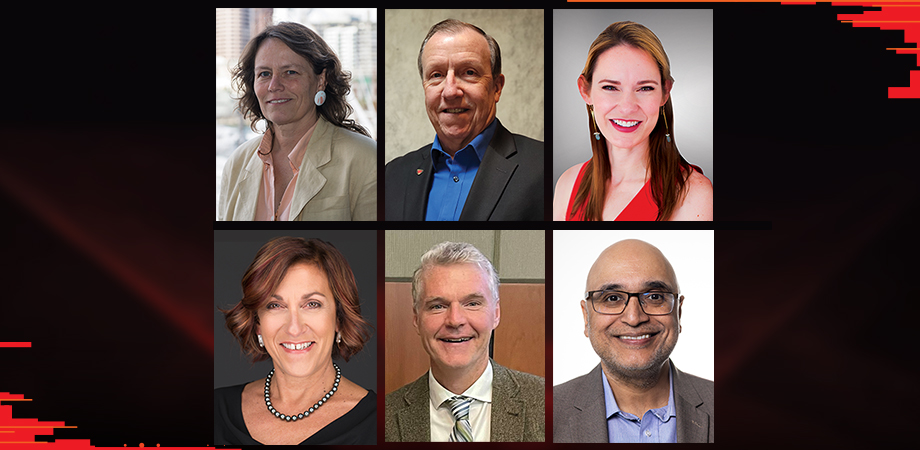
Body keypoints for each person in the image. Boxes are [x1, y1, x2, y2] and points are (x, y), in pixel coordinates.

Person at [215, 237, 376, 445]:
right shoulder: (217, 411)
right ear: (257, 323)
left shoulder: (378, 422)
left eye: (312, 304)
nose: (294, 328)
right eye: (275, 305)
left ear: (339, 318)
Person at [553, 239, 713, 443]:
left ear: (678, 312)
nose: (634, 318)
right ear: (586, 317)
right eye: (612, 298)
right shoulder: (547, 411)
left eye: (655, 296)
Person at [385, 19, 544, 221]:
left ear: (497, 87)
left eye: (469, 72)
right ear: (424, 85)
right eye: (436, 75)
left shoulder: (543, 168)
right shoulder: (392, 176)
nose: (450, 91)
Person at [553, 21, 712, 221]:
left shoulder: (695, 195)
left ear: (665, 92)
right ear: (585, 90)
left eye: (645, 88)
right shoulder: (567, 184)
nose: (627, 107)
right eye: (610, 87)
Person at [385, 242, 544, 441]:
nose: (455, 320)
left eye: (472, 304)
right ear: (417, 319)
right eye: (438, 306)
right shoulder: (384, 418)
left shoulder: (547, 403)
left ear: (496, 313)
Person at [219, 22, 376, 221]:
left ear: (321, 80)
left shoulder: (365, 159)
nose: (274, 86)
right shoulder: (236, 163)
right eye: (264, 74)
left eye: (290, 72)